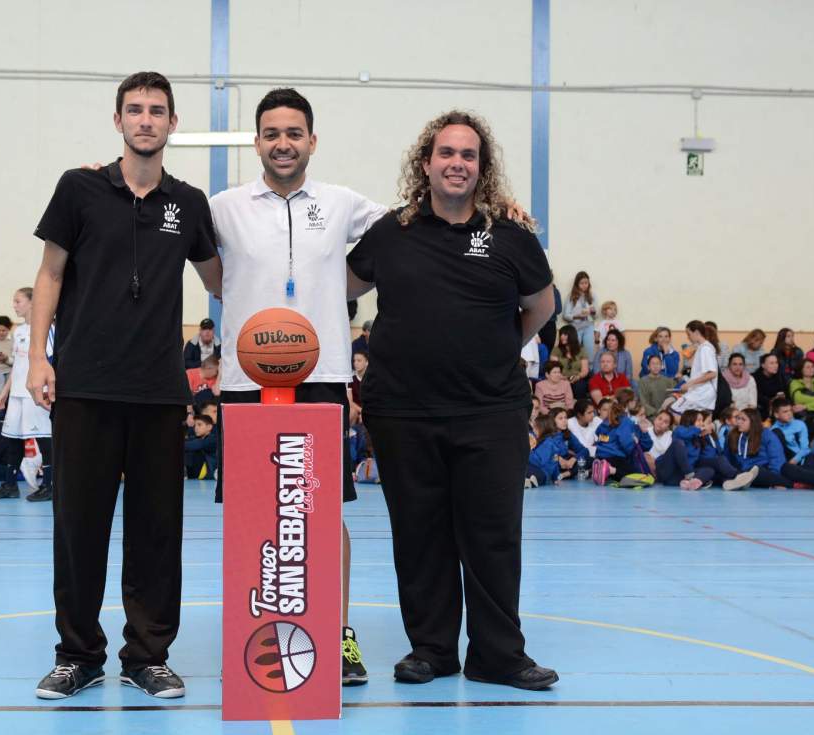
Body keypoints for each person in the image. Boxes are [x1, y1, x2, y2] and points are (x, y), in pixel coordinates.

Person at [27, 72, 222, 701]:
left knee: (156, 531)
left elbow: (224, 274)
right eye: (134, 110)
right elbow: (50, 273)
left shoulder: (189, 204)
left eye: (156, 111)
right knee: (79, 527)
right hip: (84, 387)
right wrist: (38, 357)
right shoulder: (79, 188)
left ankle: (148, 656)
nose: (145, 120)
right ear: (118, 121)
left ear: (172, 124)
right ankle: (77, 654)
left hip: (159, 393)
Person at [346, 110, 557, 690]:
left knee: (492, 536)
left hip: (490, 412)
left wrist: (493, 348)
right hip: (402, 412)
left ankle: (498, 655)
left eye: (468, 155)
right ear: (426, 164)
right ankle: (432, 649)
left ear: (481, 168)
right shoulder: (392, 232)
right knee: (419, 535)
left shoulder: (512, 236)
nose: (456, 163)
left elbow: (541, 306)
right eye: (446, 153)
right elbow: (339, 283)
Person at [209, 87, 392, 688]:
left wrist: (498, 208)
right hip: (244, 381)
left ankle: (336, 631)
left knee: (321, 510)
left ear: (312, 140)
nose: (282, 143)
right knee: (251, 513)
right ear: (256, 141)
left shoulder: (342, 204)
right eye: (271, 133)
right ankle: (253, 628)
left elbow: (413, 224)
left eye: (294, 133)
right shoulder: (222, 207)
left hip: (321, 379)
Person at [0, 288, 54, 502]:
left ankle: (50, 486)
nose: (14, 305)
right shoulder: (18, 331)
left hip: (35, 394)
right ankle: (10, 484)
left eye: (18, 301)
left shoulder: (46, 329)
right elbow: (17, 364)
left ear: (32, 303)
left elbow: (52, 362)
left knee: (44, 438)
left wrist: (47, 391)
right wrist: (4, 392)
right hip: (16, 394)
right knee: (12, 439)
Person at [592, 390, 653, 486]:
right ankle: (610, 470)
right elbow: (627, 444)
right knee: (640, 476)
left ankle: (603, 470)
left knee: (624, 470)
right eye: (634, 400)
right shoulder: (625, 421)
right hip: (615, 458)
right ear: (629, 403)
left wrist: (642, 432)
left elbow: (598, 433)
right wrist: (634, 446)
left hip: (600, 456)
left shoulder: (609, 419)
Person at [525, 408, 587, 487]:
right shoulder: (547, 441)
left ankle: (530, 481)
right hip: (544, 474)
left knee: (524, 468)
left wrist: (528, 453)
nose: (533, 430)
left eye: (535, 428)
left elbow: (539, 462)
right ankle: (529, 482)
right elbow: (554, 464)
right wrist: (556, 478)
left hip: (542, 473)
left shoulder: (547, 444)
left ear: (543, 429)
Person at [667, 321, 719, 415]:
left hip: (702, 393)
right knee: (695, 420)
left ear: (696, 332)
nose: (688, 337)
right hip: (700, 392)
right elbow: (689, 361)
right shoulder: (701, 347)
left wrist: (690, 384)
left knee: (673, 411)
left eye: (689, 334)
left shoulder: (705, 349)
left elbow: (712, 373)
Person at [562, 271, 598, 359]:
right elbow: (565, 315)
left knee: (589, 351)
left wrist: (593, 312)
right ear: (577, 284)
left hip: (588, 327)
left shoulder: (592, 295)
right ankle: (576, 370)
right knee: (575, 352)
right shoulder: (571, 296)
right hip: (575, 328)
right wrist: (577, 316)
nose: (584, 285)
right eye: (581, 283)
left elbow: (595, 316)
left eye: (586, 283)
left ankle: (590, 369)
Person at [789, 358, 814, 437]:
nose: (811, 369)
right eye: (808, 367)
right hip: (802, 415)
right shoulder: (795, 382)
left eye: (813, 367)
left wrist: (805, 406)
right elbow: (798, 399)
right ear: (801, 369)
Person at [551, 325, 591, 399]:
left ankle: (579, 407)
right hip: (560, 378)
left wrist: (577, 377)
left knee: (580, 386)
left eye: (565, 334)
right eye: (561, 335)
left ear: (572, 335)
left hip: (577, 378)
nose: (562, 337)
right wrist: (563, 378)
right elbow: (553, 368)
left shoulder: (581, 350)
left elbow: (585, 370)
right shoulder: (556, 350)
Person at [753, 353, 788, 420]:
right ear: (763, 365)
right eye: (771, 363)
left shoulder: (780, 376)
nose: (775, 366)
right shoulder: (755, 378)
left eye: (776, 363)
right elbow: (756, 396)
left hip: (777, 406)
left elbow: (785, 392)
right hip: (761, 408)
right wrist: (770, 400)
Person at [183, 414, 217, 479]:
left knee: (193, 450)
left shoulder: (212, 439)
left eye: (199, 425)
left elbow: (195, 445)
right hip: (198, 473)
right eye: (194, 425)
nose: (196, 428)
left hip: (209, 472)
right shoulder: (197, 438)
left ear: (209, 427)